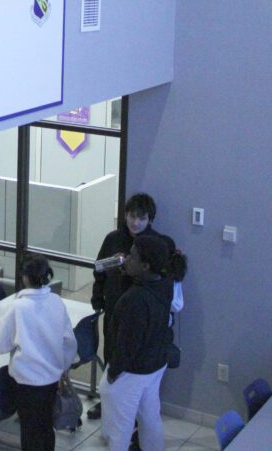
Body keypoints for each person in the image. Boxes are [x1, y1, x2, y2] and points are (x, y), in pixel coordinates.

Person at [89, 192, 179, 421]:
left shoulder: (158, 244)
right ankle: (108, 400)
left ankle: (131, 408)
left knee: (136, 359)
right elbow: (98, 270)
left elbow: (166, 278)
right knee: (112, 352)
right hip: (114, 307)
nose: (135, 222)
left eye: (141, 217)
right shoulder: (113, 239)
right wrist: (98, 298)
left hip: (143, 313)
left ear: (150, 219)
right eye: (131, 215)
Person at [100, 235, 186, 451]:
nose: (126, 258)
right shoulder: (164, 283)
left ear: (146, 265)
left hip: (132, 371)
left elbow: (127, 345)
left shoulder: (135, 301)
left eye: (132, 256)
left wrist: (112, 373)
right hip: (155, 363)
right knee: (150, 417)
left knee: (120, 428)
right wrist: (125, 274)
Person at [0, 253, 77, 451]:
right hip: (51, 379)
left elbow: (1, 345)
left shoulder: (18, 307)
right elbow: (69, 342)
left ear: (25, 277)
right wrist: (62, 367)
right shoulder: (56, 301)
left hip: (28, 382)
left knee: (30, 432)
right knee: (46, 427)